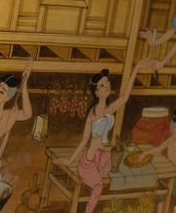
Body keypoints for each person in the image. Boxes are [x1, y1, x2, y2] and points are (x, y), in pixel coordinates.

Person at [57, 58, 157, 213]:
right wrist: (69, 160)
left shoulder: (109, 109)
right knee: (99, 186)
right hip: (89, 162)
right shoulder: (93, 113)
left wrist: (136, 68)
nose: (107, 85)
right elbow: (85, 140)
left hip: (102, 156)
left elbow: (125, 97)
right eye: (102, 85)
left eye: (107, 82)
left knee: (121, 163)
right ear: (96, 92)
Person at [138, 108, 176, 213]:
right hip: (168, 171)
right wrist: (145, 153)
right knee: (161, 193)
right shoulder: (171, 139)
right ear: (172, 127)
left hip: (174, 174)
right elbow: (159, 148)